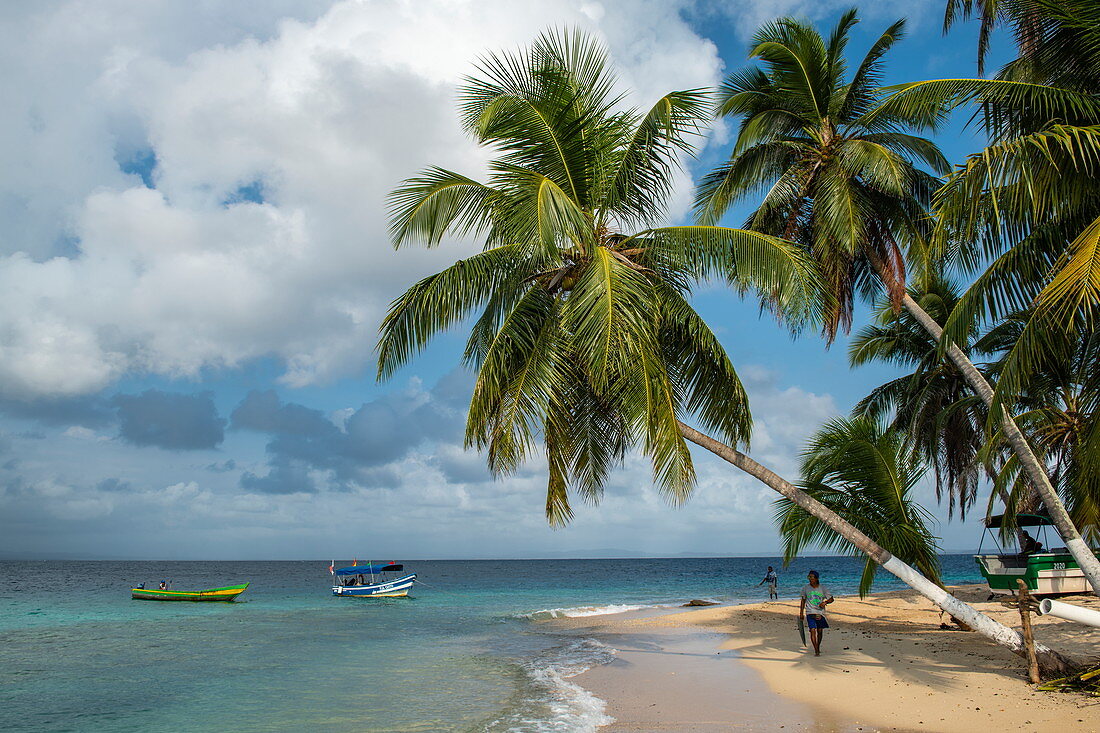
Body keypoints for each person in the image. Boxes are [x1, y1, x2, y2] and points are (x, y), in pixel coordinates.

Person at [800, 570, 834, 656]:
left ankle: (818, 646)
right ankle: (816, 650)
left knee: (819, 631)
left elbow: (831, 599)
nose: (810, 579)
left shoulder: (823, 588)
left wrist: (825, 602)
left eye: (812, 577)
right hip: (810, 612)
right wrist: (801, 613)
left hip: (820, 612)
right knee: (812, 630)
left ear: (816, 578)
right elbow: (803, 601)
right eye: (809, 577)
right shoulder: (805, 588)